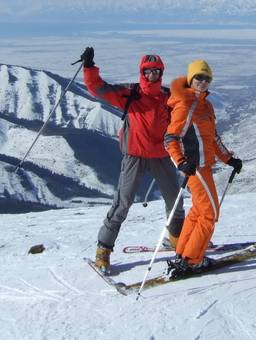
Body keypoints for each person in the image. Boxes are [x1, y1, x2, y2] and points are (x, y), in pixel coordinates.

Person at [80, 47, 185, 275]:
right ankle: (104, 249)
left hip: (161, 156)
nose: (152, 75)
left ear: (161, 73)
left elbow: (188, 110)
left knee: (175, 200)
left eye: (156, 71)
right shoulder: (130, 93)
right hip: (134, 156)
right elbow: (98, 88)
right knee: (123, 203)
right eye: (148, 72)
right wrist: (89, 67)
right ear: (142, 72)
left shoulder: (168, 98)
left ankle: (178, 240)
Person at [163, 59, 242, 278]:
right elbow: (171, 138)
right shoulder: (186, 104)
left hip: (203, 166)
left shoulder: (205, 105)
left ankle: (183, 254)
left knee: (199, 211)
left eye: (207, 77)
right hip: (194, 167)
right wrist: (181, 161)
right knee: (210, 213)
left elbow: (212, 137)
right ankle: (193, 261)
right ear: (190, 79)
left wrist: (228, 158)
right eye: (199, 77)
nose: (203, 81)